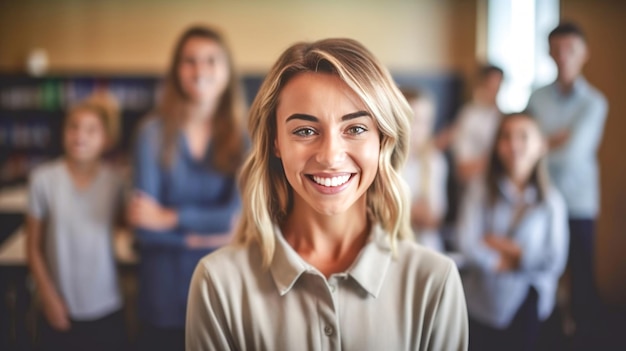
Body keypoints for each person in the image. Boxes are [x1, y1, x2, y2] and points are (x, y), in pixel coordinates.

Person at [186, 38, 468, 351]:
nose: (331, 156)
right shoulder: (218, 283)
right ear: (276, 141)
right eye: (305, 131)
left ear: (383, 139)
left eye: (356, 129)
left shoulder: (435, 282)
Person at [127, 25, 246, 351]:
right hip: (161, 293)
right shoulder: (150, 133)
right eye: (189, 60)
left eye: (211, 60)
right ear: (177, 70)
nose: (200, 70)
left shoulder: (244, 135)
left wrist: (168, 217)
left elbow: (235, 220)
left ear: (227, 71)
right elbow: (143, 230)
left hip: (223, 288)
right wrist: (206, 236)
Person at [525, 22, 608, 349]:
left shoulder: (595, 102)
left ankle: (585, 339)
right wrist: (551, 142)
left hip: (578, 201)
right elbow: (527, 146)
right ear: (548, 52)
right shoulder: (537, 96)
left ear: (584, 53)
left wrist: (541, 144)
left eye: (570, 49)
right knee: (540, 271)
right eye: (557, 49)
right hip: (541, 198)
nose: (563, 56)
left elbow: (573, 154)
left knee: (581, 277)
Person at [457, 112, 569, 351]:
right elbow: (465, 241)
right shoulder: (479, 190)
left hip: (528, 304)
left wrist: (510, 250)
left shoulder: (551, 202)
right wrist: (497, 263)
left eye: (523, 137)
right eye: (506, 137)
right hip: (482, 299)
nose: (514, 144)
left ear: (540, 146)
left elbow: (555, 259)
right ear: (498, 145)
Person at [26, 92, 127, 351]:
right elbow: (33, 248)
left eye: (91, 130)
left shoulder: (116, 183)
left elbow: (125, 229)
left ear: (106, 139)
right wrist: (48, 298)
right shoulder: (43, 179)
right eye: (73, 127)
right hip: (59, 305)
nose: (80, 136)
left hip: (106, 305)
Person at [400, 88, 448, 253]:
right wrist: (412, 212)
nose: (417, 129)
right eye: (411, 120)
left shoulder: (435, 161)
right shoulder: (386, 161)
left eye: (423, 122)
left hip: (426, 245)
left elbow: (435, 217)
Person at [452, 64, 504, 184]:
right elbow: (462, 169)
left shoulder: (504, 118)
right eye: (490, 86)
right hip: (476, 192)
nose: (494, 92)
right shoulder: (469, 117)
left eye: (498, 87)